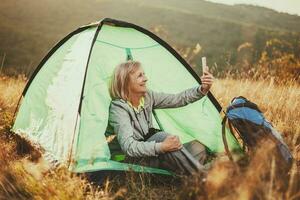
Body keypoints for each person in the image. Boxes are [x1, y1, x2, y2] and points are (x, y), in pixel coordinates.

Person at [108, 60, 214, 175]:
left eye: (144, 74)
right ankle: (201, 175)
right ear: (126, 82)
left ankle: (183, 174)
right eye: (140, 75)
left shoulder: (148, 96)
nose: (145, 78)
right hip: (131, 160)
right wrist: (162, 147)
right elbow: (129, 147)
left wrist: (202, 89)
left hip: (152, 154)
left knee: (197, 147)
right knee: (162, 137)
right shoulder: (118, 108)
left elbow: (177, 99)